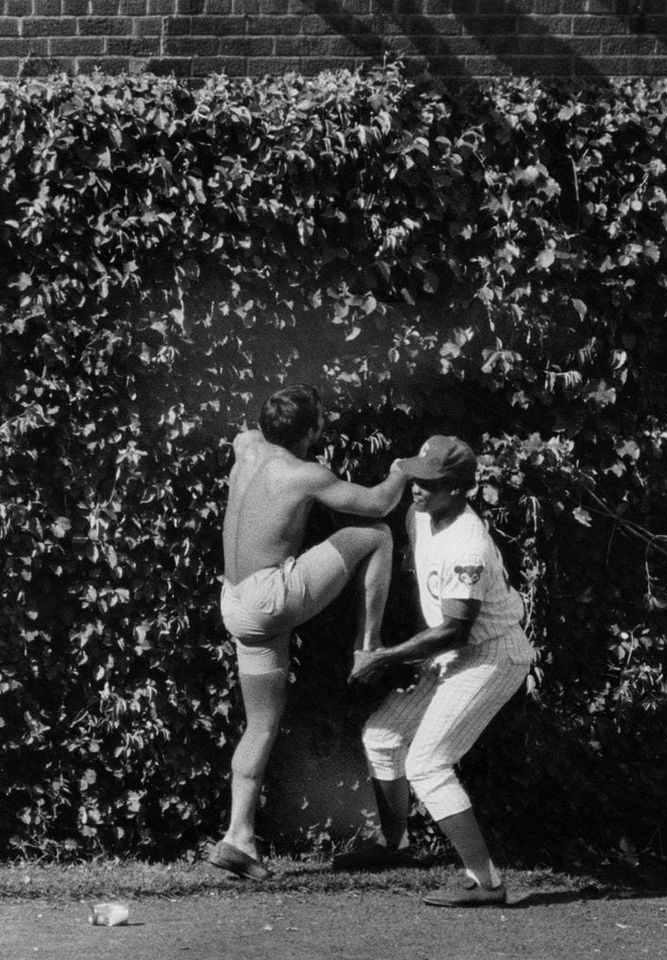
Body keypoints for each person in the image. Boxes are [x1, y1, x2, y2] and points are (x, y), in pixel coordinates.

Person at [208, 383, 408, 881]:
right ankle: (369, 645)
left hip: (235, 601)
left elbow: (244, 437)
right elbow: (378, 504)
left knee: (261, 725)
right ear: (312, 430)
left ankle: (238, 837)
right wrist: (401, 471)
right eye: (321, 420)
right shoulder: (305, 474)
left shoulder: (246, 446)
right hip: (269, 597)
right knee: (376, 535)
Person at [335, 435, 534, 907]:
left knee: (427, 764)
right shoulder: (419, 516)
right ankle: (394, 847)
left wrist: (388, 657)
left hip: (493, 655)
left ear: (459, 489)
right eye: (415, 478)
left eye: (429, 483)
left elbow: (456, 631)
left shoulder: (468, 545)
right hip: (455, 648)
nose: (416, 489)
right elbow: (422, 589)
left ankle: (487, 884)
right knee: (382, 737)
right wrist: (404, 652)